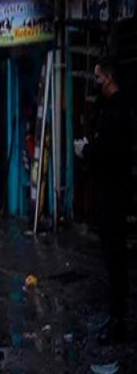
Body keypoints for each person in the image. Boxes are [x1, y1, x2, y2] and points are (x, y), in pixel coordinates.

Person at [75, 58, 132, 344]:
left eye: (98, 78)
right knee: (110, 259)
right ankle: (116, 317)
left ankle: (119, 320)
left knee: (115, 258)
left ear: (109, 78)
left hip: (114, 193)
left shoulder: (119, 110)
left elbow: (109, 151)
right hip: (108, 191)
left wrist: (88, 151)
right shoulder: (108, 108)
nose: (95, 82)